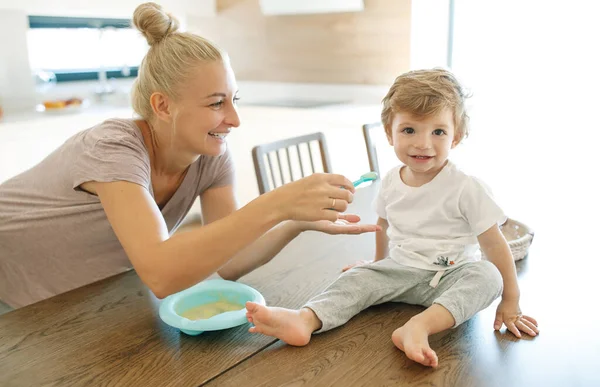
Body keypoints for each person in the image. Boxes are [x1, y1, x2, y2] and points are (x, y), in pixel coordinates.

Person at [0, 2, 379, 312]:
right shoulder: (113, 148)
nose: (234, 119)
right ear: (163, 105)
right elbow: (161, 273)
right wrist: (276, 202)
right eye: (216, 103)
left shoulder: (210, 156)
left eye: (234, 99)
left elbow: (230, 260)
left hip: (66, 298)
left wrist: (295, 220)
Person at [245, 68, 539, 367]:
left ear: (456, 136)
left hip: (453, 274)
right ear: (389, 133)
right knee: (356, 278)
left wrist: (511, 299)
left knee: (488, 276)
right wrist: (377, 263)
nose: (423, 143)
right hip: (400, 268)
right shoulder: (389, 181)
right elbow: (383, 224)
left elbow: (494, 245)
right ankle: (306, 319)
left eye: (438, 132)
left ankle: (418, 327)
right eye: (409, 130)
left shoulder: (466, 187)